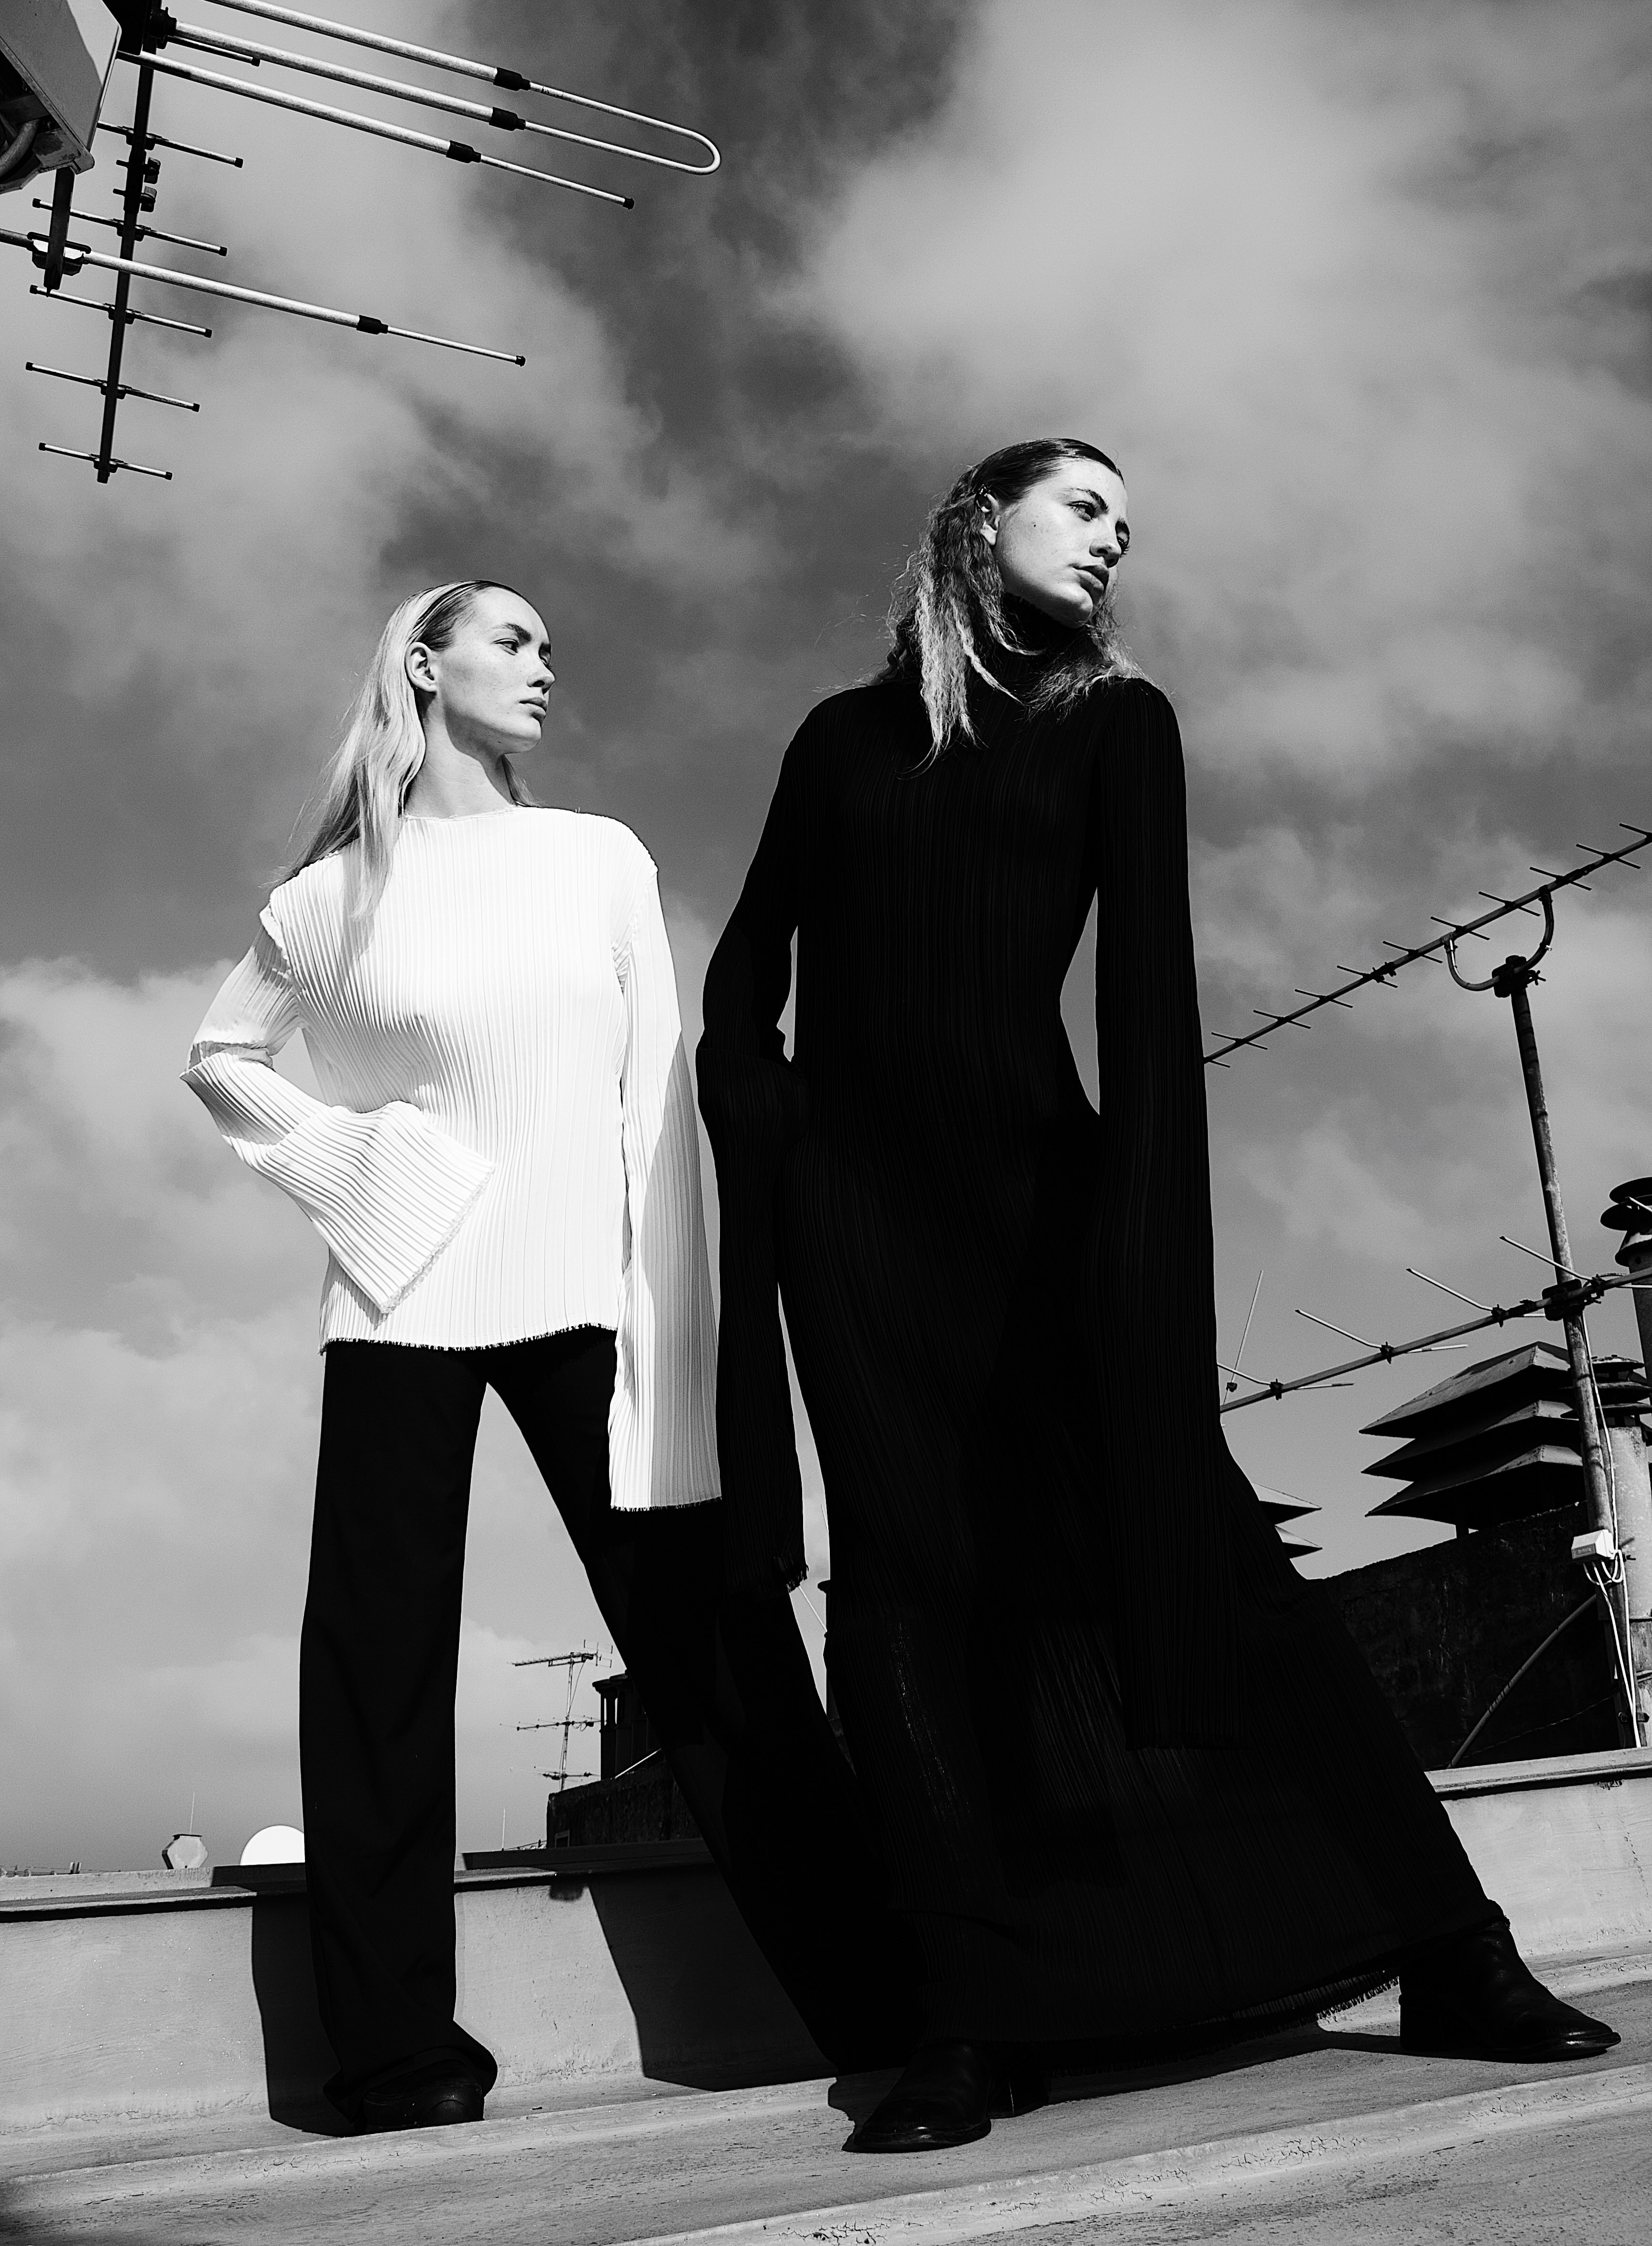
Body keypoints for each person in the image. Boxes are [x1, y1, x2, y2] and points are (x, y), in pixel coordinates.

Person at [696, 439, 1619, 2156]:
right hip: (857, 1228)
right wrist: (764, 1114)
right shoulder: (840, 738)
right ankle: (970, 2017)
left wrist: (1140, 1240)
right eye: (1085, 508)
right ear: (982, 522)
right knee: (911, 1591)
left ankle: (1448, 1949)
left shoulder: (1124, 725)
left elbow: (1148, 995)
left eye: (1129, 524)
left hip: (1047, 1207)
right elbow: (749, 964)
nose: (1117, 540)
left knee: (1196, 1554)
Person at [184, 579, 899, 2132]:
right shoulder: (325, 899)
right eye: (510, 639)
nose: (544, 661)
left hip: (598, 1284)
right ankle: (390, 2057)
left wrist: (681, 1309)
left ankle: (879, 2002)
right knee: (372, 1669)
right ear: (422, 665)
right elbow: (219, 1059)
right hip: (398, 1294)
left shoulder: (597, 858)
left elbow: (657, 1095)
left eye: (549, 644)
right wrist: (372, 1169)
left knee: (712, 1642)